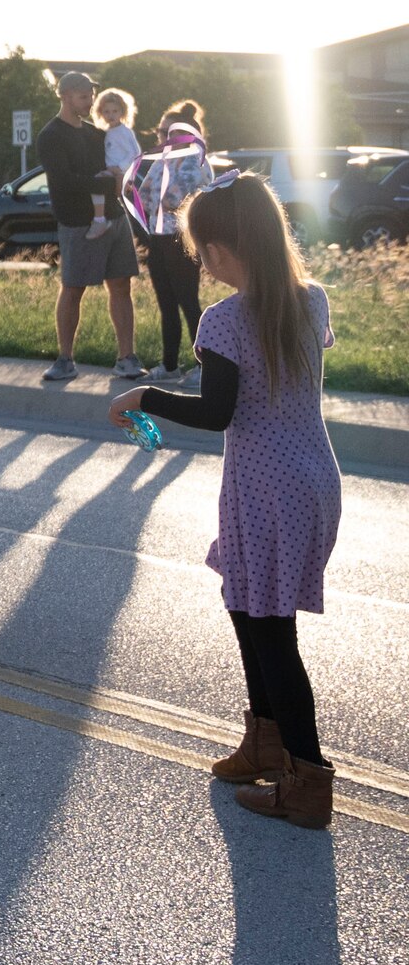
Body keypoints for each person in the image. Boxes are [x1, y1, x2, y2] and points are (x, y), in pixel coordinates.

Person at [110, 173, 341, 827]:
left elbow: (217, 413)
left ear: (226, 246)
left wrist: (144, 396)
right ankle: (265, 742)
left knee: (272, 632)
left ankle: (307, 780)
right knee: (248, 604)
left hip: (267, 487)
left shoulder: (224, 320)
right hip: (311, 479)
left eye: (204, 247)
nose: (201, 260)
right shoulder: (312, 300)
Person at [38, 71, 143, 381]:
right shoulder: (51, 136)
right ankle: (65, 360)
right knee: (73, 289)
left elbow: (121, 163)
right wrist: (101, 183)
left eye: (90, 97)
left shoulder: (97, 134)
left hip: (114, 218)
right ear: (66, 96)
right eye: (84, 97)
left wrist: (120, 180)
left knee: (121, 285)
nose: (90, 103)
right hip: (77, 223)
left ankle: (127, 358)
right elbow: (62, 180)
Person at [140, 102, 214, 388]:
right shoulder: (162, 161)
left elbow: (177, 199)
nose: (160, 137)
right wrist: (156, 202)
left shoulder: (196, 160)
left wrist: (159, 201)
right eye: (159, 131)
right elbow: (145, 196)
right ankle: (169, 364)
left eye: (165, 132)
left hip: (183, 240)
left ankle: (203, 365)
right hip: (157, 238)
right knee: (166, 304)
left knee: (188, 302)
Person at [87, 88, 141, 240]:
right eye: (107, 112)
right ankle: (101, 218)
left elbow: (134, 153)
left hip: (120, 171)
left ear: (122, 112)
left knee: (98, 183)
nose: (111, 115)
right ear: (100, 113)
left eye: (115, 111)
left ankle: (99, 220)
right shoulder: (107, 132)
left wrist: (120, 168)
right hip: (111, 171)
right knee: (100, 185)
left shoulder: (124, 132)